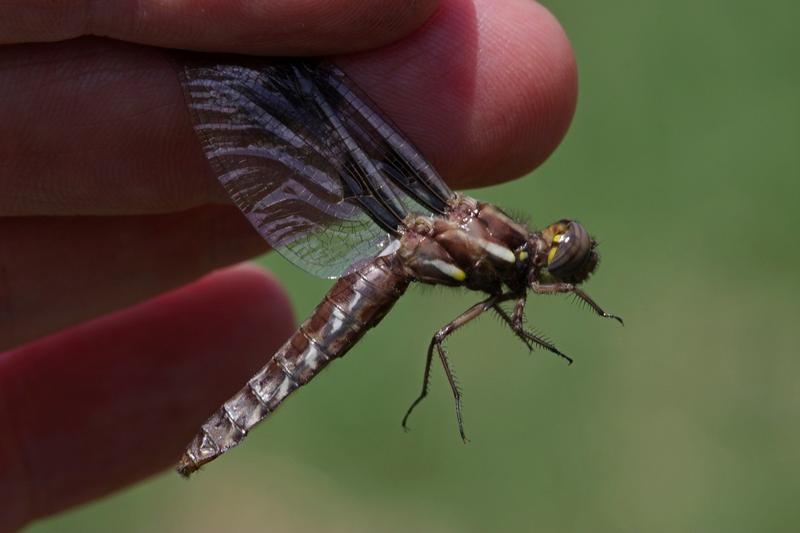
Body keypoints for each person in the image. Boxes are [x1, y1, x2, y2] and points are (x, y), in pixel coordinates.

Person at [0, 0, 579, 528]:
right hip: (395, 253)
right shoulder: (485, 242)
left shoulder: (503, 261)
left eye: (555, 247)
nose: (548, 245)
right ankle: (223, 427)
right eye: (555, 241)